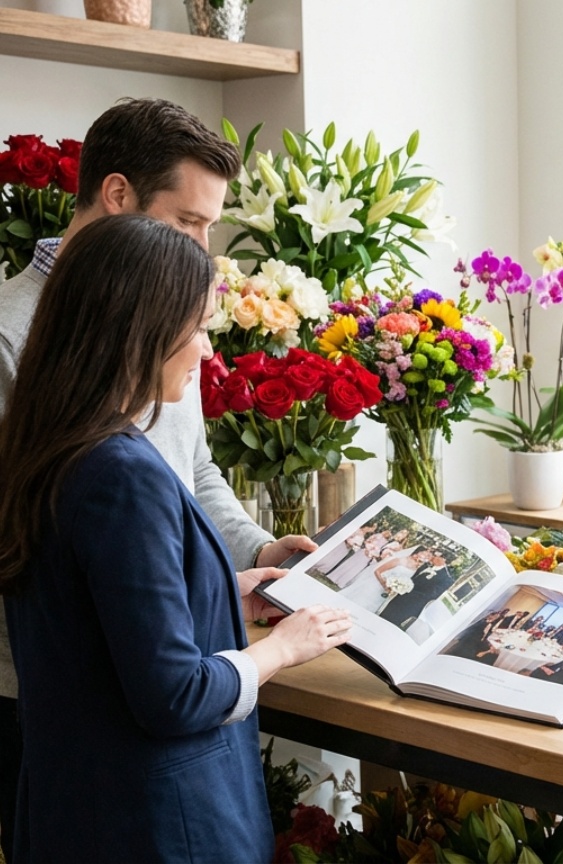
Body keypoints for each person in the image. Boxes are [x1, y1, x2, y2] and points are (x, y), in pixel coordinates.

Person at [0, 97, 318, 860]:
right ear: (118, 198)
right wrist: (269, 651)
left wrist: (249, 558)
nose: (207, 251)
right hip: (89, 721)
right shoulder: (31, 342)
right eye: (189, 224)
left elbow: (194, 475)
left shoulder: (152, 335)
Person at [378, 554, 453, 631]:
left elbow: (431, 596)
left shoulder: (446, 579)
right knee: (382, 617)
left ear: (443, 559)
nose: (433, 557)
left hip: (411, 606)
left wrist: (409, 588)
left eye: (436, 555)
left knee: (392, 625)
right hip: (400, 597)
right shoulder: (425, 566)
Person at [343, 548, 427, 616]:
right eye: (424, 554)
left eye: (427, 557)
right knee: (359, 602)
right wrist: (384, 584)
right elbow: (377, 571)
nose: (424, 557)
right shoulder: (399, 560)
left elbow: (405, 580)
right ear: (416, 553)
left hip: (386, 592)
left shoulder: (415, 568)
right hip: (376, 585)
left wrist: (397, 588)